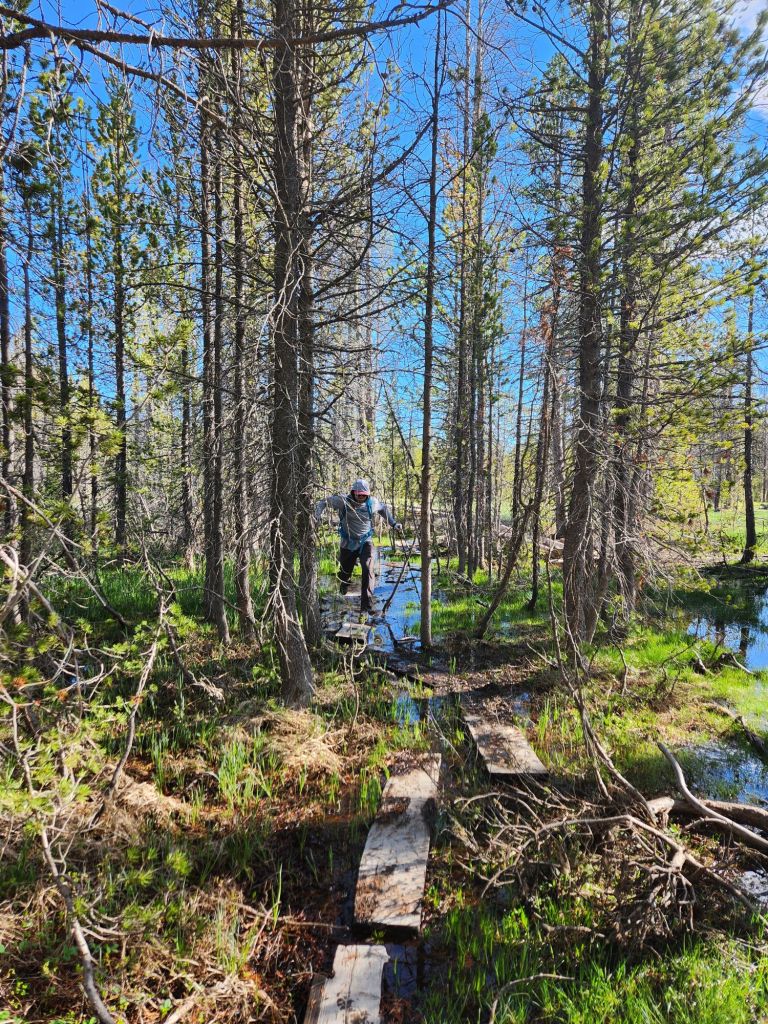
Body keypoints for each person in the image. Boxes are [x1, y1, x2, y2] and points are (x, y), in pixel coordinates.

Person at [315, 478, 402, 616]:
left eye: (364, 495)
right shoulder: (342, 501)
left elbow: (383, 509)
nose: (361, 497)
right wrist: (317, 515)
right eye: (359, 494)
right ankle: (344, 584)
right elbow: (322, 502)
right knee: (345, 572)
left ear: (367, 494)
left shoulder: (372, 503)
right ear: (353, 492)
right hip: (347, 543)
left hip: (365, 542)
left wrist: (393, 523)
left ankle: (365, 607)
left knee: (367, 570)